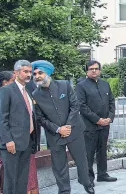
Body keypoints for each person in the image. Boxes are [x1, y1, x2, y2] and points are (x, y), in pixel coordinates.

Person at [30, 60, 94, 194]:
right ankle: (64, 190)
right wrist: (58, 129)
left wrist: (68, 126)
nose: (37, 76)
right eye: (34, 74)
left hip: (74, 130)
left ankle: (87, 183)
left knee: (81, 160)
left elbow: (75, 106)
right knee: (59, 165)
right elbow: (40, 118)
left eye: (40, 73)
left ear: (47, 73)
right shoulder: (35, 94)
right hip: (54, 134)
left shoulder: (64, 85)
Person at [0, 60, 40, 194]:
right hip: (12, 143)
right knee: (11, 180)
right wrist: (8, 140)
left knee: (23, 179)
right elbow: (2, 118)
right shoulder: (6, 90)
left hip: (27, 141)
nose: (29, 74)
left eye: (30, 72)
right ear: (16, 72)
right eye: (25, 71)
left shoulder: (27, 91)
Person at [75, 61, 117, 184]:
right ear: (86, 71)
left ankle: (103, 174)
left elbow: (111, 102)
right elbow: (81, 106)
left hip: (105, 124)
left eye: (96, 68)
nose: (94, 71)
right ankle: (88, 178)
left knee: (102, 150)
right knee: (89, 152)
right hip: (90, 125)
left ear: (100, 70)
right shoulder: (81, 86)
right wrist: (97, 120)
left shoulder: (105, 84)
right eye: (91, 69)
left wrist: (109, 117)